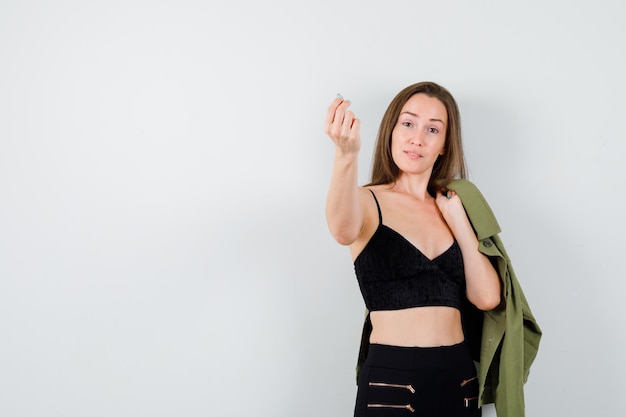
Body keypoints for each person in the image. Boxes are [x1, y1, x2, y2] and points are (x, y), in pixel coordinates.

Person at [324, 82, 502, 416]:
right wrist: (345, 155)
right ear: (391, 130)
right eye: (408, 123)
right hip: (392, 379)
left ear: (445, 145)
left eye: (432, 129)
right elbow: (342, 231)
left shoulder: (455, 206)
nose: (417, 138)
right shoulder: (366, 200)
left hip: (459, 378)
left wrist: (459, 222)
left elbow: (488, 298)